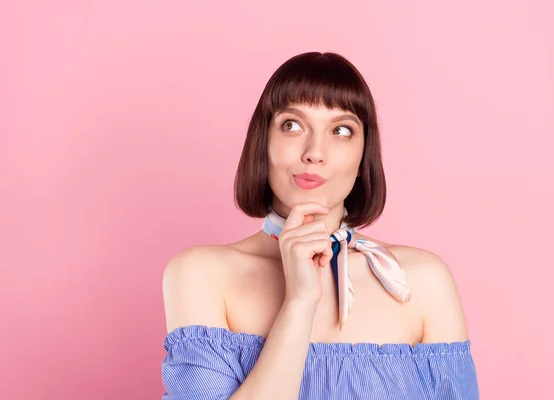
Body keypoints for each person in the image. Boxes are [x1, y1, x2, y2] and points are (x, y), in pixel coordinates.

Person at [161, 52, 479, 399]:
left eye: (341, 130)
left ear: (363, 158)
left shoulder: (421, 281)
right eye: (292, 125)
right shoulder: (200, 274)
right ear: (262, 142)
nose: (315, 152)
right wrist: (299, 303)